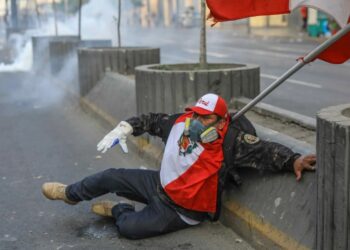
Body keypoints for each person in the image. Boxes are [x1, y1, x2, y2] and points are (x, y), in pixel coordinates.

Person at [42, 93, 316, 240]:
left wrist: (294, 159)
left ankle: (118, 210)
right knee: (110, 176)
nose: (196, 121)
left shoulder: (232, 141)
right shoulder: (180, 122)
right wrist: (125, 127)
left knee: (130, 230)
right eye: (195, 114)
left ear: (221, 122)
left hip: (183, 211)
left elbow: (266, 151)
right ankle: (70, 194)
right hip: (158, 184)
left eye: (205, 118)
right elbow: (150, 120)